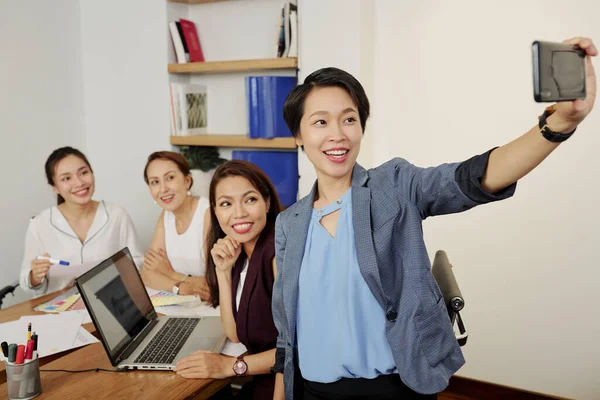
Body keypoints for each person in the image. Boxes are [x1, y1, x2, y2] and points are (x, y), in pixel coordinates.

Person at [271, 38, 597, 400]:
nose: (338, 134)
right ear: (299, 135)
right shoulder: (290, 224)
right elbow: (288, 334)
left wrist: (559, 124)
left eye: (349, 119)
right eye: (320, 122)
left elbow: (472, 178)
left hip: (396, 386)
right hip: (313, 390)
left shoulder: (394, 184)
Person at [175, 160, 281, 400]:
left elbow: (300, 349)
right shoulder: (240, 252)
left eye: (250, 199)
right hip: (264, 379)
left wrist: (232, 366)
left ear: (267, 202)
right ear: (215, 211)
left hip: (289, 384)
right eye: (226, 204)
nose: (239, 213)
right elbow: (234, 334)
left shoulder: (278, 253)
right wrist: (223, 272)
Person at [19, 147, 144, 298]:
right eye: (66, 178)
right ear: (54, 187)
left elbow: (138, 262)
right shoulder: (40, 224)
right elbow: (26, 283)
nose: (79, 182)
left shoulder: (116, 215)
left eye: (83, 173)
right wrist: (35, 276)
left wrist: (109, 276)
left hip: (110, 305)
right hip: (58, 312)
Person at [142, 151, 210, 299]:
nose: (163, 189)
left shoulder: (207, 215)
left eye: (170, 178)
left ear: (187, 181)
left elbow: (214, 286)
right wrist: (180, 288)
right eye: (155, 182)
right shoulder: (166, 216)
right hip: (187, 306)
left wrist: (170, 274)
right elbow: (147, 274)